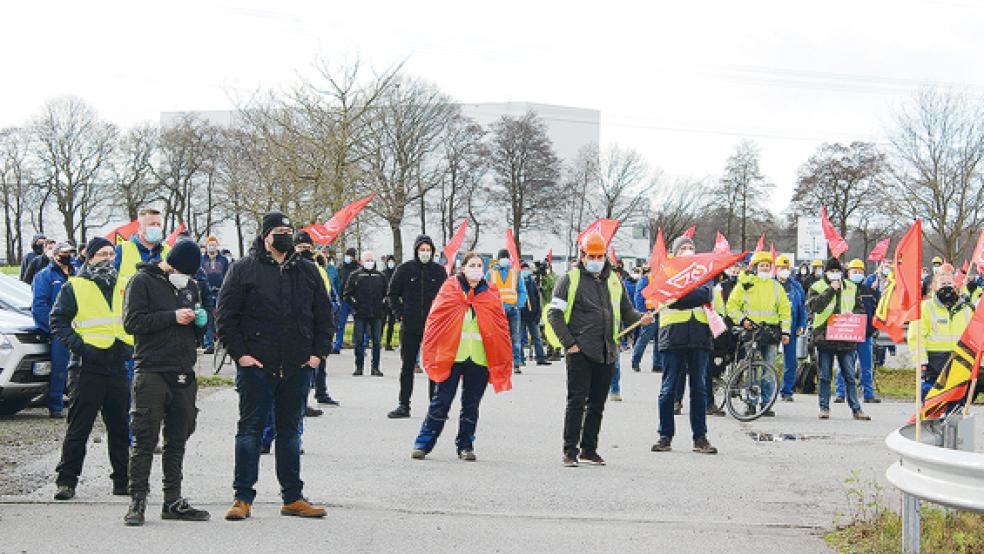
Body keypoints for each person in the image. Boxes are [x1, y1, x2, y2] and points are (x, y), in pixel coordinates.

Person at [217, 211, 333, 521]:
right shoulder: (243, 269)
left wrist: (317, 354)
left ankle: (292, 498)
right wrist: (241, 355)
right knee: (249, 432)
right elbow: (226, 317)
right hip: (257, 366)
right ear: (265, 236)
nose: (284, 235)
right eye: (278, 231)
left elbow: (324, 315)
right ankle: (242, 498)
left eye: (288, 231)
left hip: (297, 365)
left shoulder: (307, 270)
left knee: (290, 433)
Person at [122, 239, 210, 526]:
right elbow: (132, 322)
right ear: (169, 264)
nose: (185, 278)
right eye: (181, 272)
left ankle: (173, 499)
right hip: (152, 369)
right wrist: (172, 317)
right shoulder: (142, 282)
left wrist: (201, 324)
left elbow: (195, 331)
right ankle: (137, 500)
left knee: (178, 438)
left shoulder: (191, 286)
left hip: (183, 370)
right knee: (145, 438)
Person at [547, 233, 651, 467]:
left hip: (607, 350)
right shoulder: (569, 279)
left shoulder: (615, 280)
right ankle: (570, 451)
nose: (596, 260)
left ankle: (589, 449)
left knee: (597, 404)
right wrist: (570, 344)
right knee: (576, 401)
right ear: (583, 256)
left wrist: (640, 318)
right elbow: (554, 315)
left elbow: (626, 311)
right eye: (591, 256)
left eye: (599, 256)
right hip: (580, 351)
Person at [49, 237, 131, 501]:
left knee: (120, 428)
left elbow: (133, 320)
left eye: (111, 254)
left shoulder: (124, 285)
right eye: (102, 254)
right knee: (79, 428)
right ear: (89, 258)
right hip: (86, 367)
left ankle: (123, 481)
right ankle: (66, 481)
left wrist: (129, 348)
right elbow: (58, 321)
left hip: (117, 365)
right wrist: (80, 347)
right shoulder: (75, 286)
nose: (108, 259)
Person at [410, 252, 513, 461]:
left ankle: (465, 445)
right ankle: (423, 443)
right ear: (463, 268)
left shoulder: (490, 294)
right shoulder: (450, 289)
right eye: (471, 265)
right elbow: (435, 321)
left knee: (471, 405)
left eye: (479, 265)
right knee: (441, 401)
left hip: (478, 358)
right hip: (452, 356)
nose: (475, 269)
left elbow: (500, 327)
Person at [651, 236, 718, 455]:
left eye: (691, 247)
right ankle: (665, 436)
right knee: (668, 389)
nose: (688, 251)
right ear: (675, 252)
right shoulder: (666, 271)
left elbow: (705, 294)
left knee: (699, 388)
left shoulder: (703, 271)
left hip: (699, 335)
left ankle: (700, 438)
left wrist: (681, 294)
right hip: (673, 334)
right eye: (684, 248)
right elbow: (667, 297)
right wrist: (686, 295)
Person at [725, 251, 792, 417]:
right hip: (751, 332)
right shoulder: (746, 284)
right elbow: (731, 306)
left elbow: (785, 310)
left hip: (770, 333)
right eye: (762, 265)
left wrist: (786, 331)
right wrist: (742, 320)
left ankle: (766, 404)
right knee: (752, 370)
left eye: (767, 265)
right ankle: (751, 403)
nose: (765, 268)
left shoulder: (776, 287)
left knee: (769, 370)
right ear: (755, 267)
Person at [386, 235, 445, 419]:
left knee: (434, 367)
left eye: (428, 250)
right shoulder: (404, 269)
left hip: (433, 327)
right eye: (422, 250)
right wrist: (400, 314)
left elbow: (447, 297)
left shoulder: (439, 272)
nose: (425, 253)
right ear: (416, 250)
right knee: (407, 366)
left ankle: (435, 407)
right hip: (410, 326)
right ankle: (404, 405)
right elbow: (392, 294)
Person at [805, 258, 871, 421]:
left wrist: (853, 316)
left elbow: (860, 309)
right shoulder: (817, 287)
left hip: (846, 337)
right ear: (826, 273)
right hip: (824, 337)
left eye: (837, 271)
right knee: (825, 376)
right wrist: (831, 290)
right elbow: (814, 307)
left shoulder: (851, 287)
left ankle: (856, 409)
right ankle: (824, 408)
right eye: (832, 271)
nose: (835, 274)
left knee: (850, 376)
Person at [908, 263, 974, 399]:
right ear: (935, 287)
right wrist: (921, 361)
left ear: (955, 286)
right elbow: (916, 336)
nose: (946, 286)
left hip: (960, 360)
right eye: (942, 284)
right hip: (934, 362)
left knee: (956, 399)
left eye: (949, 283)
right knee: (932, 399)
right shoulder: (925, 308)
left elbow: (975, 336)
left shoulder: (967, 308)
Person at [31, 242, 76, 418]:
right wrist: (54, 328)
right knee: (60, 366)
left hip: (78, 327)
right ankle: (55, 405)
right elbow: (39, 306)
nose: (68, 256)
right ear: (55, 255)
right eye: (65, 253)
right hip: (60, 329)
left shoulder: (76, 274)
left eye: (70, 253)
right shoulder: (45, 276)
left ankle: (77, 401)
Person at [294, 232, 338, 406]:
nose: (304, 251)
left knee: (320, 358)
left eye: (307, 247)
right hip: (301, 323)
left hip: (318, 320)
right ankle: (302, 401)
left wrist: (332, 309)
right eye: (300, 247)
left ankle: (321, 392)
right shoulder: (290, 269)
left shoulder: (319, 270)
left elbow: (330, 294)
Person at [834, 259, 882, 404]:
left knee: (866, 367)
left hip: (865, 335)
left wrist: (874, 328)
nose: (857, 274)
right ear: (848, 273)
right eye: (854, 271)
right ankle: (840, 393)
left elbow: (878, 311)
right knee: (844, 365)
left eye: (860, 271)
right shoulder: (841, 290)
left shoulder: (870, 292)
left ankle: (868, 394)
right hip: (847, 334)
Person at [344, 250, 388, 377]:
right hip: (360, 314)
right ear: (362, 261)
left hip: (376, 314)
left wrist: (383, 306)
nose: (369, 262)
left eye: (371, 260)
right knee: (359, 341)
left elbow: (387, 294)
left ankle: (376, 368)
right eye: (367, 260)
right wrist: (355, 306)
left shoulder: (380, 276)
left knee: (377, 342)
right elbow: (347, 294)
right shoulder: (355, 275)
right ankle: (359, 367)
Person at [488, 248, 528, 374]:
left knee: (515, 338)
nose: (504, 260)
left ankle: (516, 364)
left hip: (513, 310)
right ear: (498, 259)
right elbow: (484, 290)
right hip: (497, 311)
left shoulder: (515, 273)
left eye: (506, 257)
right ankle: (499, 363)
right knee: (497, 338)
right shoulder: (491, 273)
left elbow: (522, 291)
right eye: (502, 257)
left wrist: (519, 305)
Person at [775, 255, 808, 402]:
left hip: (791, 327)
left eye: (787, 268)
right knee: (769, 359)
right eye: (782, 268)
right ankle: (767, 391)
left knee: (791, 361)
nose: (784, 270)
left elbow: (802, 308)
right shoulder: (770, 285)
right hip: (773, 327)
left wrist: (802, 324)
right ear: (776, 269)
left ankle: (787, 391)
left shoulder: (796, 286)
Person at [630, 268, 663, 373]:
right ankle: (635, 362)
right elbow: (639, 297)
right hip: (650, 313)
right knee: (644, 339)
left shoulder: (664, 278)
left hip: (661, 312)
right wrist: (643, 313)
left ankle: (657, 365)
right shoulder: (646, 279)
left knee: (659, 340)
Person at [200, 235, 229, 355]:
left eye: (214, 244)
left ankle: (223, 342)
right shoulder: (201, 259)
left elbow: (228, 274)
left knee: (221, 316)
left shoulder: (224, 260)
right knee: (207, 317)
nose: (211, 246)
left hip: (220, 291)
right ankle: (209, 344)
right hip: (206, 291)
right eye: (209, 244)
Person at [519, 261, 551, 367]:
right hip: (522, 315)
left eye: (526, 269)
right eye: (523, 269)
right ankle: (520, 359)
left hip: (533, 315)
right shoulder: (518, 282)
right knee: (520, 338)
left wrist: (538, 314)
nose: (525, 271)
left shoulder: (532, 282)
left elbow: (537, 299)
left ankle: (540, 358)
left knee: (537, 338)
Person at [332, 247, 361, 353]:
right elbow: (337, 283)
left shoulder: (358, 270)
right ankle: (337, 345)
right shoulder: (341, 269)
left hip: (354, 300)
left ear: (353, 257)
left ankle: (358, 345)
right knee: (340, 324)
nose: (347, 258)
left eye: (349, 256)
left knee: (358, 324)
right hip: (343, 300)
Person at [381, 255, 398, 351]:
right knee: (382, 322)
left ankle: (388, 343)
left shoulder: (397, 273)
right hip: (384, 302)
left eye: (392, 261)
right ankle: (378, 341)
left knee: (391, 323)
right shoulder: (383, 274)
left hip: (393, 302)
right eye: (389, 261)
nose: (391, 263)